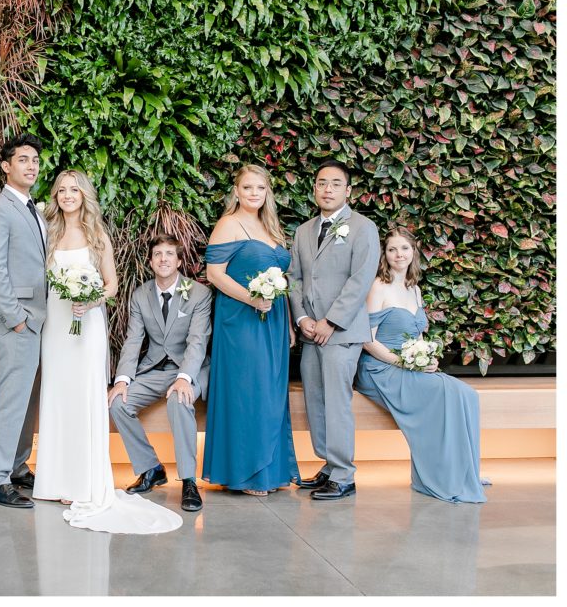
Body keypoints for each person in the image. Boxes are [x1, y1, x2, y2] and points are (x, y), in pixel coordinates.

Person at [33, 169, 181, 534]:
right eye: (62, 190)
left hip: (88, 327)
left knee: (84, 398)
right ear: (55, 196)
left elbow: (112, 285)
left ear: (84, 195)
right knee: (58, 397)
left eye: (74, 190)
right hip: (56, 329)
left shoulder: (97, 234)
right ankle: (56, 480)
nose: (68, 195)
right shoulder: (48, 232)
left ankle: (84, 482)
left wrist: (90, 299)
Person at [356, 227, 487, 503]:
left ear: (413, 252)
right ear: (385, 254)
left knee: (467, 394)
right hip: (381, 368)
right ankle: (440, 475)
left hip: (409, 366)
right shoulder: (378, 286)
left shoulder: (413, 288)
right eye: (392, 249)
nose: (398, 254)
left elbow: (419, 335)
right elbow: (367, 341)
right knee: (445, 391)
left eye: (404, 248)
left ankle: (464, 470)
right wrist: (405, 363)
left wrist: (427, 356)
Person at [202, 165, 299, 495]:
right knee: (249, 391)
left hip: (272, 320)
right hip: (241, 320)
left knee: (271, 393)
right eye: (247, 187)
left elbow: (282, 281)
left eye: (260, 187)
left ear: (267, 191)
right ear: (237, 191)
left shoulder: (271, 227)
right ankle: (247, 472)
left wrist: (286, 322)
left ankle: (271, 471)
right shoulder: (229, 224)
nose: (254, 193)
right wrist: (251, 299)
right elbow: (214, 274)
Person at [289, 160, 379, 500]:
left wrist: (331, 321)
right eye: (322, 183)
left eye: (335, 183)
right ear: (314, 188)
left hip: (341, 333)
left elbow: (360, 280)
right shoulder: (303, 231)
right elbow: (294, 278)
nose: (328, 189)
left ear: (348, 190)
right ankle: (329, 465)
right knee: (316, 400)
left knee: (337, 402)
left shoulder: (363, 227)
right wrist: (302, 320)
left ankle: (344, 474)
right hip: (312, 332)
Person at [108, 233, 211, 512]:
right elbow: (133, 340)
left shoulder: (199, 293)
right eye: (158, 254)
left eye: (169, 254)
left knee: (179, 399)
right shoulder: (141, 295)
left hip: (189, 369)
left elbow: (197, 341)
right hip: (155, 368)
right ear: (151, 261)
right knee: (118, 403)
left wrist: (183, 377)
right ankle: (151, 468)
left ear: (179, 260)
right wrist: (122, 380)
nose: (163, 259)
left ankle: (189, 481)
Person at [0, 134, 48, 509]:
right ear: (6, 167)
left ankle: (18, 466)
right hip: (17, 319)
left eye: (35, 159)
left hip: (40, 320)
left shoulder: (35, 209)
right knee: (11, 396)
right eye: (23, 159)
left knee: (29, 397)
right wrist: (16, 318)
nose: (31, 165)